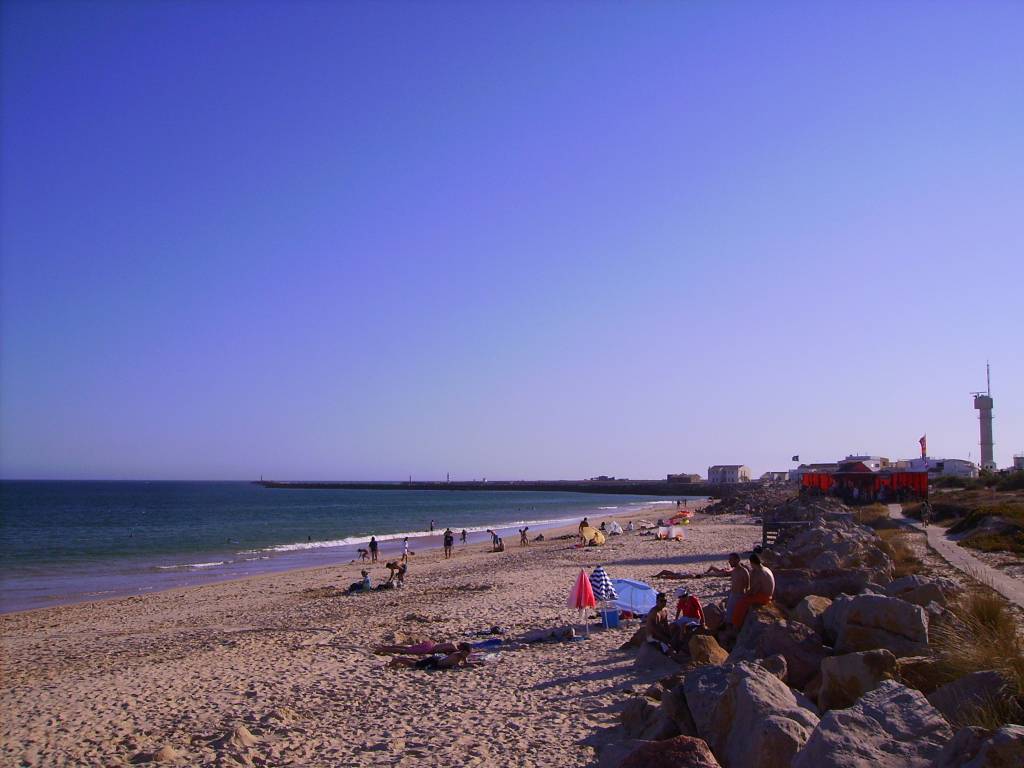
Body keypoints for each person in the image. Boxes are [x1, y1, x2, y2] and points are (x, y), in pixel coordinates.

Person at [732, 552, 775, 628]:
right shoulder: (766, 569)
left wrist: (745, 595)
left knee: (741, 603)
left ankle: (736, 625)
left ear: (752, 562)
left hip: (763, 597)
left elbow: (754, 589)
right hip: (769, 595)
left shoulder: (760, 572)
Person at [706, 553, 750, 626]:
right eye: (729, 560)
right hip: (732, 595)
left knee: (736, 618)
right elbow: (723, 573)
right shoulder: (734, 571)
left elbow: (748, 586)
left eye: (731, 560)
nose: (729, 562)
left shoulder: (744, 571)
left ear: (737, 560)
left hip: (739, 596)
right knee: (729, 617)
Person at [386, 643, 474, 670]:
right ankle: (398, 659)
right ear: (462, 651)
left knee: (417, 662)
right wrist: (466, 666)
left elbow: (466, 663)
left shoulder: (462, 656)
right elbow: (456, 666)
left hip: (437, 659)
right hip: (435, 661)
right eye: (466, 654)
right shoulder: (456, 656)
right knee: (415, 665)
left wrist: (475, 664)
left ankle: (400, 659)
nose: (466, 656)